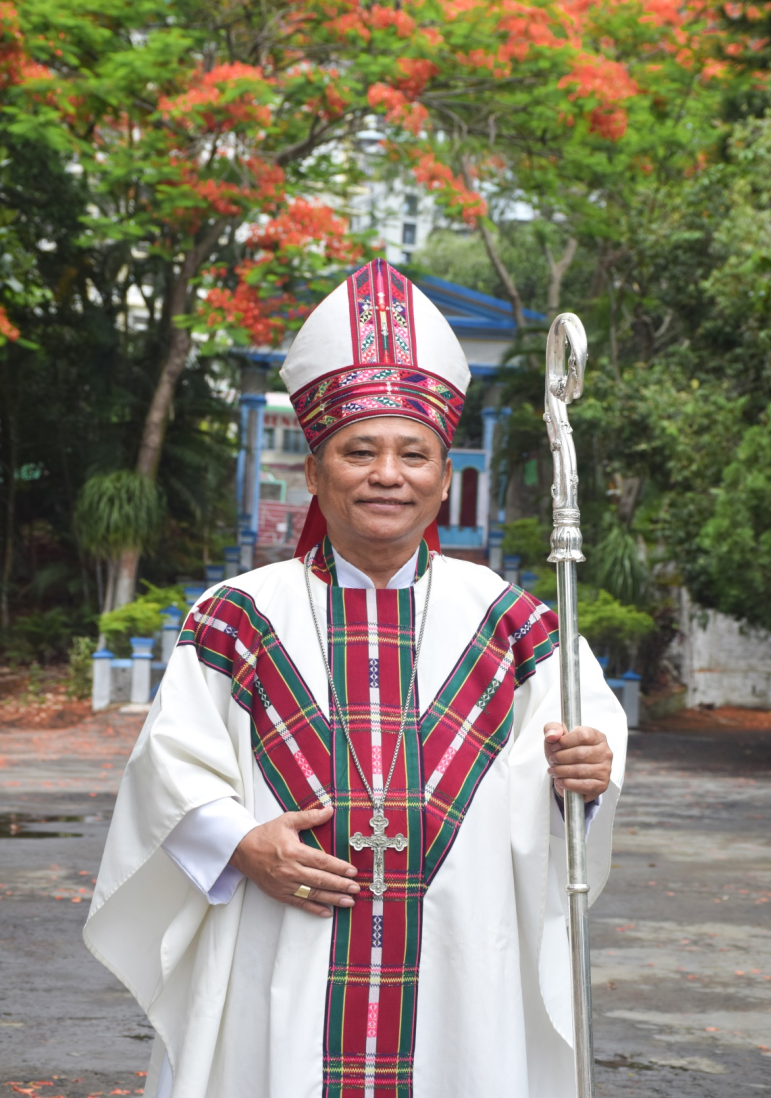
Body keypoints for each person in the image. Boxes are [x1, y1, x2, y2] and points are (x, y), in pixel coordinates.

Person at [84, 258, 627, 1098]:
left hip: (456, 963)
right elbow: (170, 768)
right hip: (282, 944)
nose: (387, 474)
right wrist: (239, 842)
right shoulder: (237, 617)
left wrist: (587, 775)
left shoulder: (516, 623)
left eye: (414, 453)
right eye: (358, 450)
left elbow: (581, 746)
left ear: (443, 479)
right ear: (314, 471)